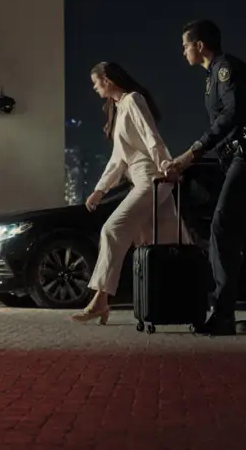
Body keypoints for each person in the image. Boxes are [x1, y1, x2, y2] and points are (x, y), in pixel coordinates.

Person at [162, 20, 246, 337]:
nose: (183, 51)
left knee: (222, 227)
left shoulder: (226, 69)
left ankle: (223, 314)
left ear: (199, 45)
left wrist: (192, 153)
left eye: (185, 45)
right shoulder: (213, 76)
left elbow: (231, 114)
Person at [71, 62, 188, 325]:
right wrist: (100, 189)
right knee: (170, 243)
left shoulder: (134, 99)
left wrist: (165, 165)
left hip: (152, 178)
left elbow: (150, 134)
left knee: (112, 229)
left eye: (95, 82)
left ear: (108, 80)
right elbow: (118, 159)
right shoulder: (118, 108)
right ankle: (185, 300)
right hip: (143, 181)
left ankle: (100, 300)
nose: (94, 88)